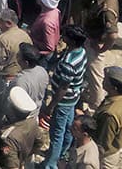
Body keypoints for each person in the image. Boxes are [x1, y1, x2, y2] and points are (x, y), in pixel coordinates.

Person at [41, 25, 88, 169]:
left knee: (57, 133)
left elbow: (63, 87)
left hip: (64, 101)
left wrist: (51, 106)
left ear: (72, 41)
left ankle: (50, 165)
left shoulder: (69, 62)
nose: (63, 37)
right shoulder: (81, 52)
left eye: (66, 36)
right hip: (73, 98)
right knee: (68, 128)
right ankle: (62, 155)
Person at [0, 86, 44, 169]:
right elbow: (40, 141)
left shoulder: (8, 137)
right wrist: (25, 158)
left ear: (12, 110)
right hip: (21, 159)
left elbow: (11, 166)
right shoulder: (32, 122)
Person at [82, 0, 118, 109]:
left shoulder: (107, 8)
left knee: (95, 76)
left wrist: (102, 48)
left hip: (96, 43)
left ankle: (95, 105)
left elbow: (113, 35)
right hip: (92, 38)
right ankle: (90, 95)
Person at [93, 66, 122, 168]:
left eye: (106, 79)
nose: (103, 79)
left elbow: (103, 144)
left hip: (104, 157)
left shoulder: (110, 114)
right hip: (113, 149)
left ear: (114, 88)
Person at [31, 0, 61, 68]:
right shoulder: (55, 11)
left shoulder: (47, 22)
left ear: (43, 2)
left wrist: (32, 40)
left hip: (43, 57)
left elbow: (49, 47)